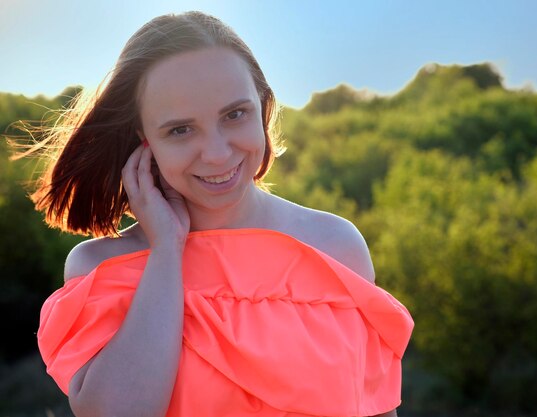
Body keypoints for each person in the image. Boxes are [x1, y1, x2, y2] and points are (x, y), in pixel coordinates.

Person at [32, 11, 414, 417]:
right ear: (145, 142)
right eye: (180, 130)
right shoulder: (100, 268)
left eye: (234, 115)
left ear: (263, 108)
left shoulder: (337, 247)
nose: (216, 153)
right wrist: (165, 251)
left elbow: (375, 409)